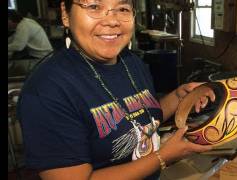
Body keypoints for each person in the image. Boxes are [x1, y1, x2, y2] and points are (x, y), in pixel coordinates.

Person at [17, 0, 216, 179]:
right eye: (94, 7)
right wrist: (162, 157)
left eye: (122, 8)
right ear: (65, 14)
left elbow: (140, 118)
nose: (112, 21)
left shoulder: (132, 62)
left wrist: (179, 96)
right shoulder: (47, 91)